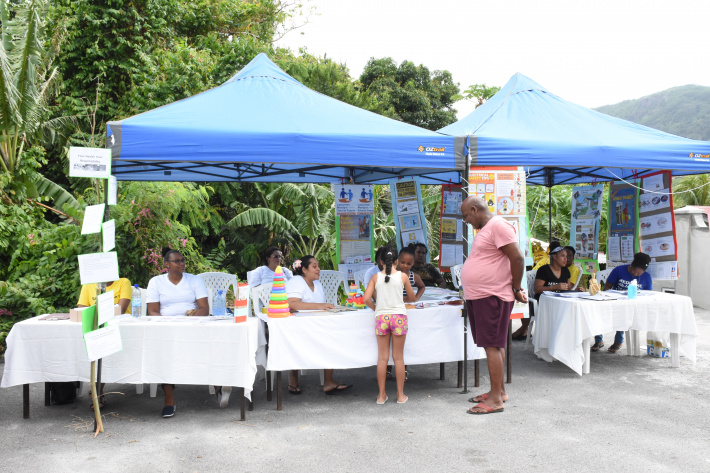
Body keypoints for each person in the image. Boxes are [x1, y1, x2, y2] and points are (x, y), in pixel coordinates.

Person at [460, 196, 527, 415]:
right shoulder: (488, 229)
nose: (467, 221)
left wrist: (516, 288)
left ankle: (496, 399)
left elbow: (517, 258)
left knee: (492, 345)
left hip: (492, 295)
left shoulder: (498, 225)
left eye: (466, 216)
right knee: (493, 344)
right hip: (482, 295)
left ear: (474, 209)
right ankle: (498, 391)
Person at [145, 248, 210, 418]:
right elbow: (152, 311)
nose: (182, 264)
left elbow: (204, 308)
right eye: (177, 261)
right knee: (164, 353)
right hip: (166, 327)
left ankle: (217, 385)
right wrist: (170, 324)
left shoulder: (194, 280)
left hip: (192, 325)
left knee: (213, 342)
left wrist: (189, 321)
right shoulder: (156, 282)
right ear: (166, 264)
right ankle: (169, 398)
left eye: (183, 261)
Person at [285, 255, 352, 395]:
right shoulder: (296, 281)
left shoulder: (318, 284)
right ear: (304, 269)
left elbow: (319, 307)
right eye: (314, 266)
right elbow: (291, 305)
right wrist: (320, 305)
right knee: (322, 337)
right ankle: (293, 376)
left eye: (318, 266)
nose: (318, 269)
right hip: (299, 327)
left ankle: (328, 381)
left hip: (317, 324)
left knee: (332, 336)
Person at [364, 248, 415, 404]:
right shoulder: (403, 276)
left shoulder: (375, 277)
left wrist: (377, 309)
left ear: (381, 262)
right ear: (397, 262)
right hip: (399, 317)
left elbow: (366, 299)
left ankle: (381, 396)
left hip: (382, 318)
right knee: (398, 358)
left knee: (382, 358)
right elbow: (412, 298)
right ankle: (400, 395)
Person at [77, 277, 133, 409]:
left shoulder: (124, 282)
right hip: (95, 326)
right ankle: (97, 391)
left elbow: (121, 309)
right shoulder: (89, 284)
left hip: (121, 328)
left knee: (106, 349)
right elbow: (82, 309)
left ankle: (97, 391)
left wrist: (96, 311)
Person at [593, 252, 653, 354]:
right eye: (634, 272)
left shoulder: (647, 277)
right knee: (598, 313)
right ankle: (599, 340)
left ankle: (618, 341)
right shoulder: (619, 270)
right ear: (631, 266)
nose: (635, 275)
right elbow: (607, 286)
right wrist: (609, 297)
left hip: (633, 305)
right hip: (615, 301)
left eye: (639, 274)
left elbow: (648, 295)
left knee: (624, 314)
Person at [512, 242, 572, 340]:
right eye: (563, 256)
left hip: (560, 302)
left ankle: (564, 340)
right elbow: (537, 289)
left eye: (566, 256)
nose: (566, 259)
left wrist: (576, 289)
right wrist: (555, 287)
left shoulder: (565, 271)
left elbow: (568, 287)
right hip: (544, 303)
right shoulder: (544, 270)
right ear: (555, 257)